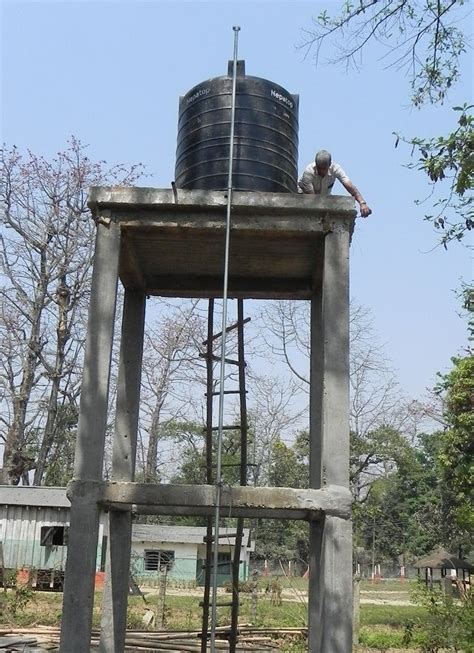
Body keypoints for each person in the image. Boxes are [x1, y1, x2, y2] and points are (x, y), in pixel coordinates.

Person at [298, 150, 372, 218]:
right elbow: (312, 199)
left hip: (322, 198)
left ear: (329, 165)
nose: (321, 171)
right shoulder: (308, 172)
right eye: (319, 168)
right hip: (303, 197)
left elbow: (349, 186)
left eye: (324, 169)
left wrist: (362, 204)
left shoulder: (336, 169)